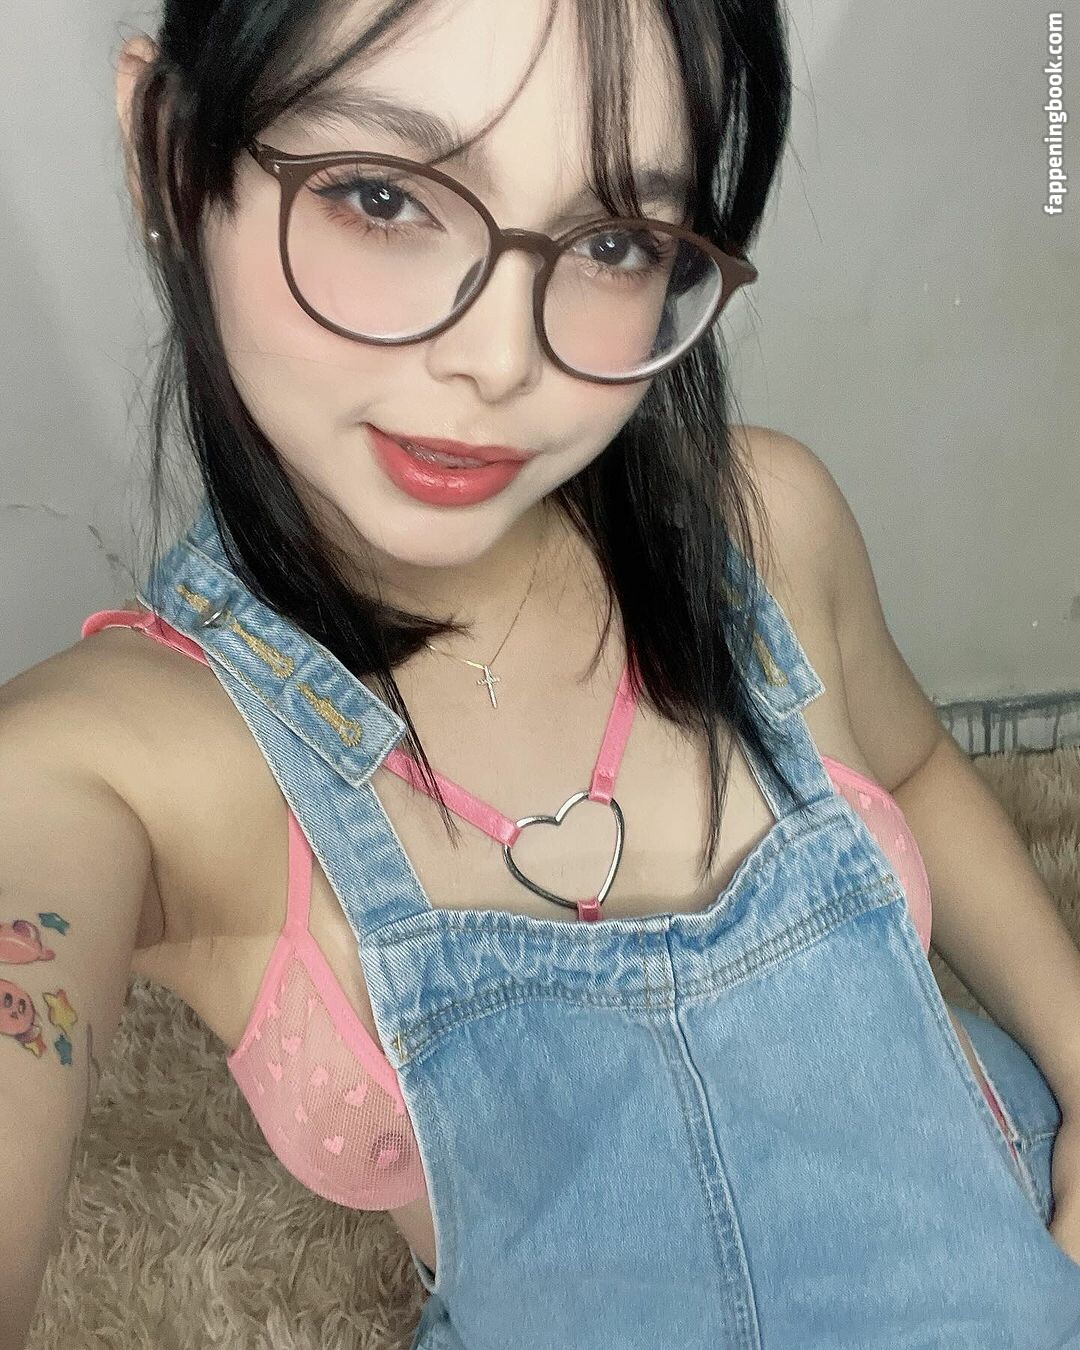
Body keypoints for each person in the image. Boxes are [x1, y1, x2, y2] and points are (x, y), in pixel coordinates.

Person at [3, 0, 1080, 1346]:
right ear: (171, 152)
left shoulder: (763, 528)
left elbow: (912, 767)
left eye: (615, 238)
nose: (501, 359)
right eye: (382, 196)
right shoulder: (119, 762)